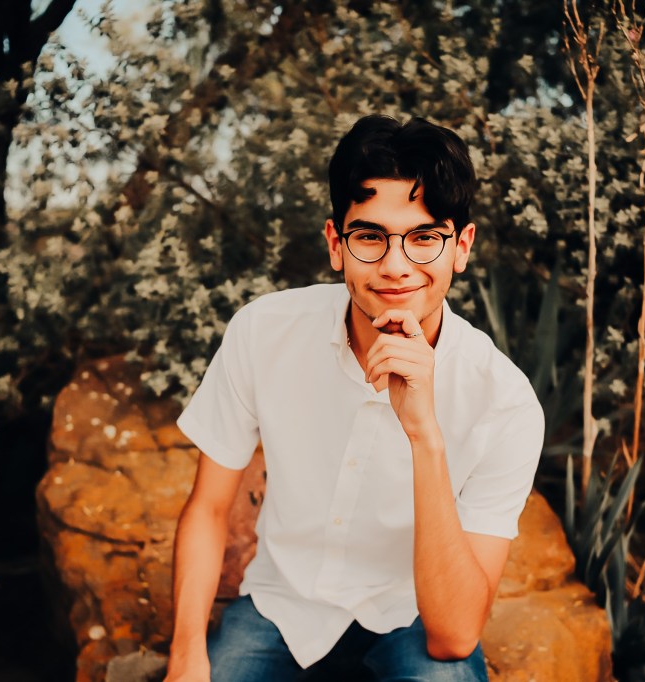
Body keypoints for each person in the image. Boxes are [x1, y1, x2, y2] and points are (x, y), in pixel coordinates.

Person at [165, 114, 545, 682]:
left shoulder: (505, 402)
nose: (396, 267)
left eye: (424, 238)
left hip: (412, 616)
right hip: (282, 604)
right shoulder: (264, 331)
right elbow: (208, 508)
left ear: (461, 247)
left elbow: (453, 635)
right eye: (370, 237)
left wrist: (425, 435)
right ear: (336, 244)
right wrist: (185, 655)